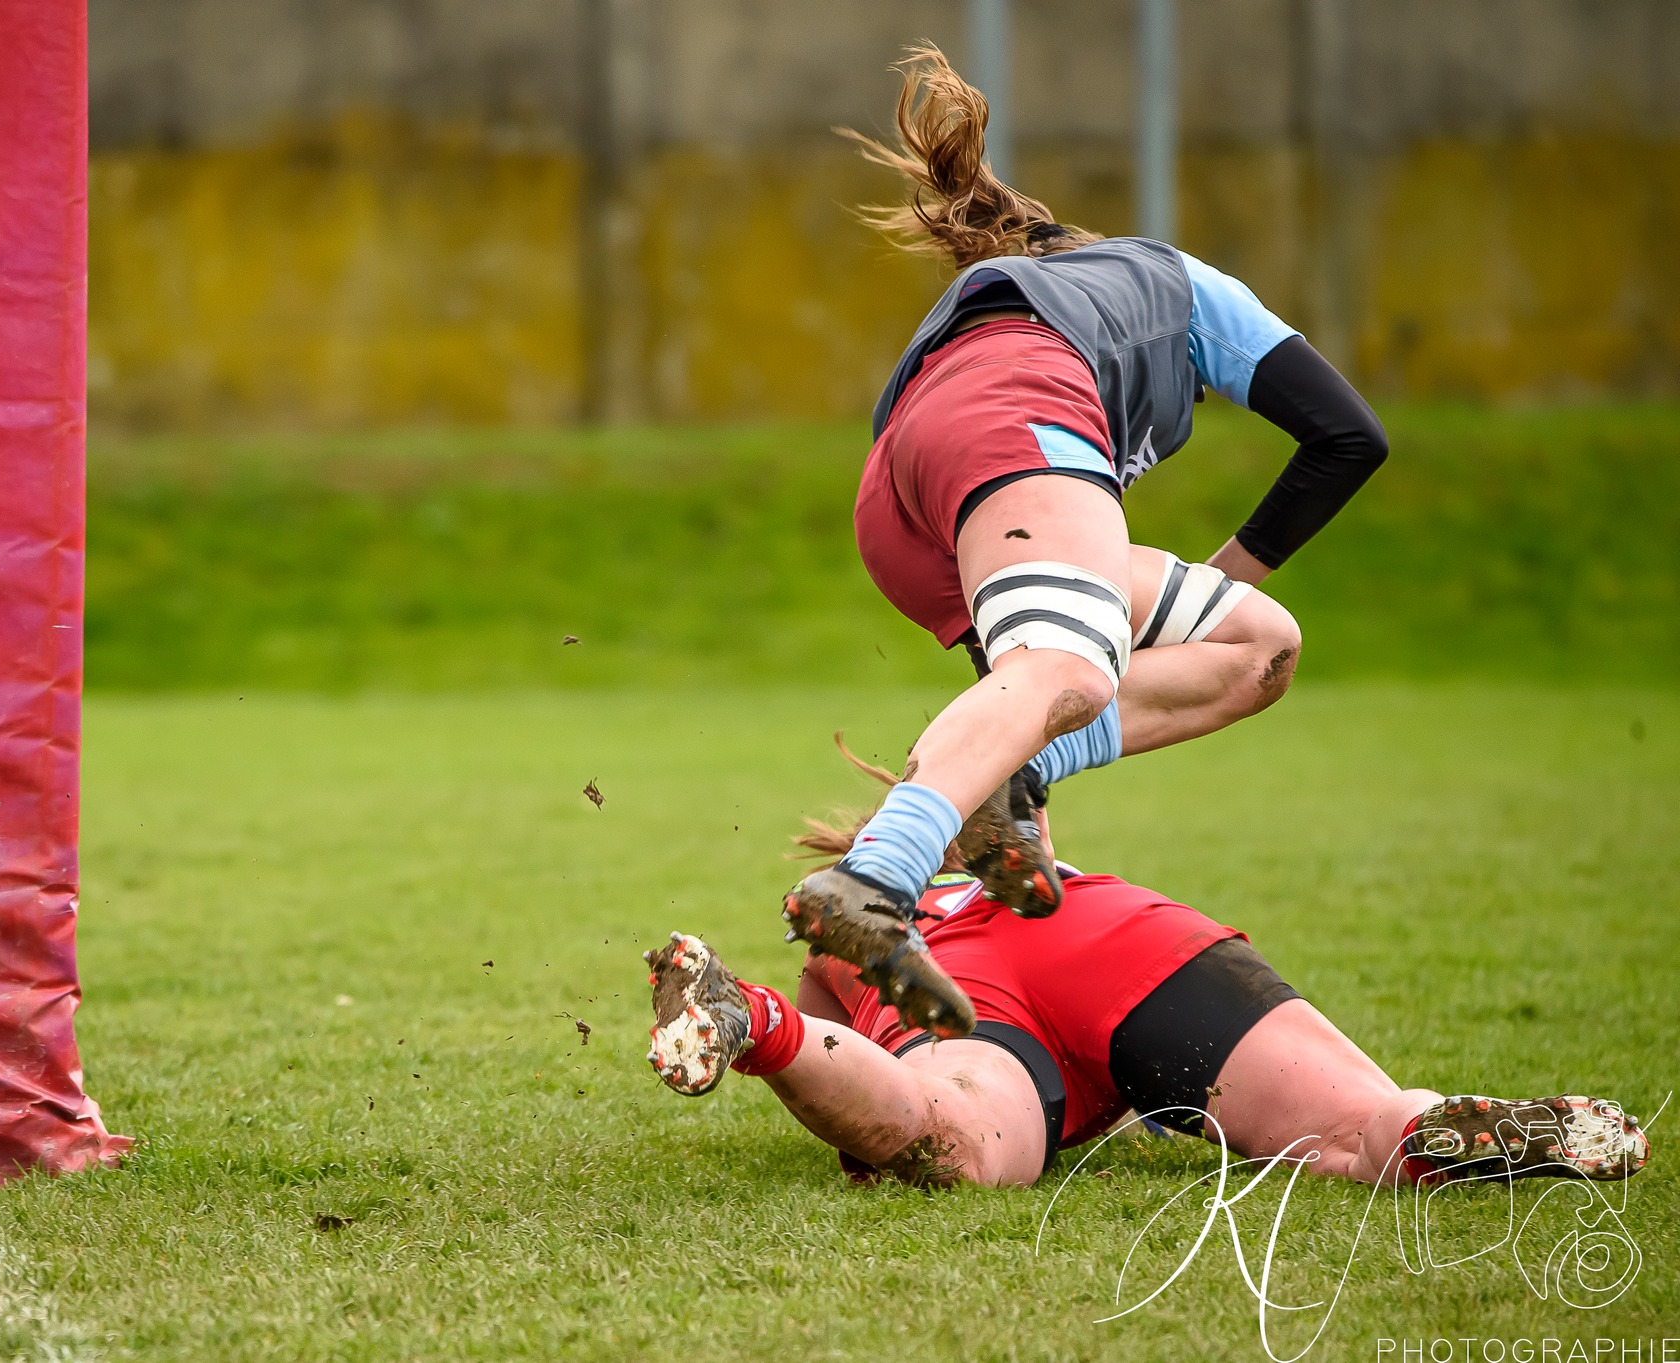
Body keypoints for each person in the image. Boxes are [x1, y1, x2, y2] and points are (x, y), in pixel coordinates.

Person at [788, 47, 1390, 1037]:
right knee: (1073, 665)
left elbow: (1017, 695)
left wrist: (1022, 805)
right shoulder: (1176, 282)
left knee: (1258, 645)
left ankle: (990, 801)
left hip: (903, 498)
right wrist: (1208, 572)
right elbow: (1346, 436)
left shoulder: (1016, 308)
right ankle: (874, 880)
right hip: (1015, 421)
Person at [642, 762, 1650, 1190]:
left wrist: (826, 1073)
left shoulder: (846, 941)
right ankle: (1428, 1124)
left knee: (951, 1140)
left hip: (963, 997)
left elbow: (860, 1120)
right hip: (1117, 937)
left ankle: (750, 1017)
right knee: (1355, 1127)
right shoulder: (1037, 872)